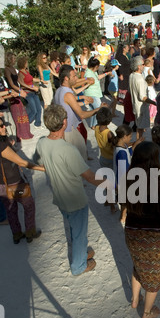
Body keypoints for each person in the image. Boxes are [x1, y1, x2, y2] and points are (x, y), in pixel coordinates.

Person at [33, 104, 109, 275]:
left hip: (60, 197)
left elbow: (41, 163)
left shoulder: (42, 143)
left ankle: (81, 254)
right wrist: (110, 184)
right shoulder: (68, 150)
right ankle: (79, 266)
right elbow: (89, 177)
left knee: (76, 229)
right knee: (79, 234)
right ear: (64, 122)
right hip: (75, 200)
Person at [125, 141, 160, 318]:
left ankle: (135, 300)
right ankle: (147, 312)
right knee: (153, 276)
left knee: (138, 266)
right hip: (152, 237)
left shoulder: (128, 177)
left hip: (132, 232)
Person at [0, 117, 44, 244]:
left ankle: (17, 235)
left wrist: (10, 146)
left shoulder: (4, 142)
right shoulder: (2, 145)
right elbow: (21, 162)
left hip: (2, 186)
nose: (4, 128)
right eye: (1, 126)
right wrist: (42, 168)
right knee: (29, 205)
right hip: (14, 184)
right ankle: (30, 232)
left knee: (11, 210)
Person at [54, 65, 101, 160]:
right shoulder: (67, 93)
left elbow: (69, 102)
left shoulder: (59, 90)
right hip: (70, 131)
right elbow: (82, 114)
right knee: (78, 159)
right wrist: (98, 109)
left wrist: (83, 99)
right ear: (66, 78)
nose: (76, 78)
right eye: (74, 76)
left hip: (64, 129)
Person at [113, 124, 144, 224]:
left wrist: (137, 143)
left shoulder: (121, 146)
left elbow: (129, 152)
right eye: (130, 136)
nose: (131, 138)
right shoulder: (121, 153)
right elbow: (123, 170)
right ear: (125, 136)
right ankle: (123, 216)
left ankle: (122, 215)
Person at [129, 56, 156, 140]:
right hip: (141, 107)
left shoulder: (131, 75)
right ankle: (139, 143)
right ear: (138, 66)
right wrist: (154, 103)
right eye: (142, 64)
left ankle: (139, 142)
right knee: (140, 128)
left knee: (139, 127)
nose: (144, 66)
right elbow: (142, 97)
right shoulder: (139, 78)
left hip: (135, 104)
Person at [83, 57, 111, 129]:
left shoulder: (93, 72)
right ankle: (95, 125)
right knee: (98, 109)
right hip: (92, 94)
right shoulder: (88, 73)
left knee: (94, 110)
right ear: (96, 66)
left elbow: (97, 77)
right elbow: (86, 81)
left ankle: (93, 125)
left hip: (94, 93)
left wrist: (106, 73)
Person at [17, 56, 42, 127]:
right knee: (33, 110)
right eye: (26, 62)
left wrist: (41, 80)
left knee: (39, 108)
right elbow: (22, 85)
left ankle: (38, 123)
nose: (27, 63)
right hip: (28, 93)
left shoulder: (26, 71)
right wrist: (32, 87)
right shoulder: (20, 73)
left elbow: (32, 79)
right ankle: (25, 124)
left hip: (33, 92)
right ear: (23, 63)